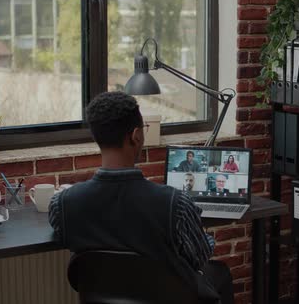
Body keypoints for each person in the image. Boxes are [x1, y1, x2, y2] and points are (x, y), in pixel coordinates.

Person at [48, 92, 233, 304]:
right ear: (136, 135)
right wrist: (206, 238)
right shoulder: (176, 204)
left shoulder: (63, 204)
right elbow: (199, 257)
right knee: (220, 273)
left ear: (96, 137)